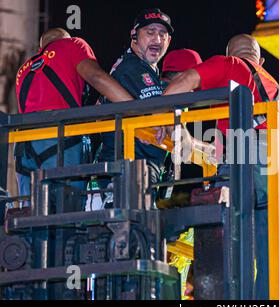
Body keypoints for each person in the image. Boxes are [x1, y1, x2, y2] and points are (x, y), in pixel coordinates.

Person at [163, 34, 279, 299]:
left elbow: (182, 83)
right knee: (271, 252)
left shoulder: (229, 65)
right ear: (260, 60)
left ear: (231, 53)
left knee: (226, 242)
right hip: (275, 173)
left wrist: (169, 123)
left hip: (241, 159)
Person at [14, 28, 133, 199]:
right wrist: (137, 109)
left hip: (23, 146)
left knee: (31, 213)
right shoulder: (72, 44)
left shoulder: (23, 69)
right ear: (65, 38)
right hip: (60, 137)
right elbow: (96, 77)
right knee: (69, 209)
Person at [98, 8, 174, 203]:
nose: (157, 39)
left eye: (162, 34)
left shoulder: (145, 69)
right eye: (150, 32)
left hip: (132, 167)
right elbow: (160, 120)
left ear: (169, 41)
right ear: (134, 36)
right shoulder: (133, 67)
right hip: (131, 168)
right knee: (135, 228)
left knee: (138, 229)